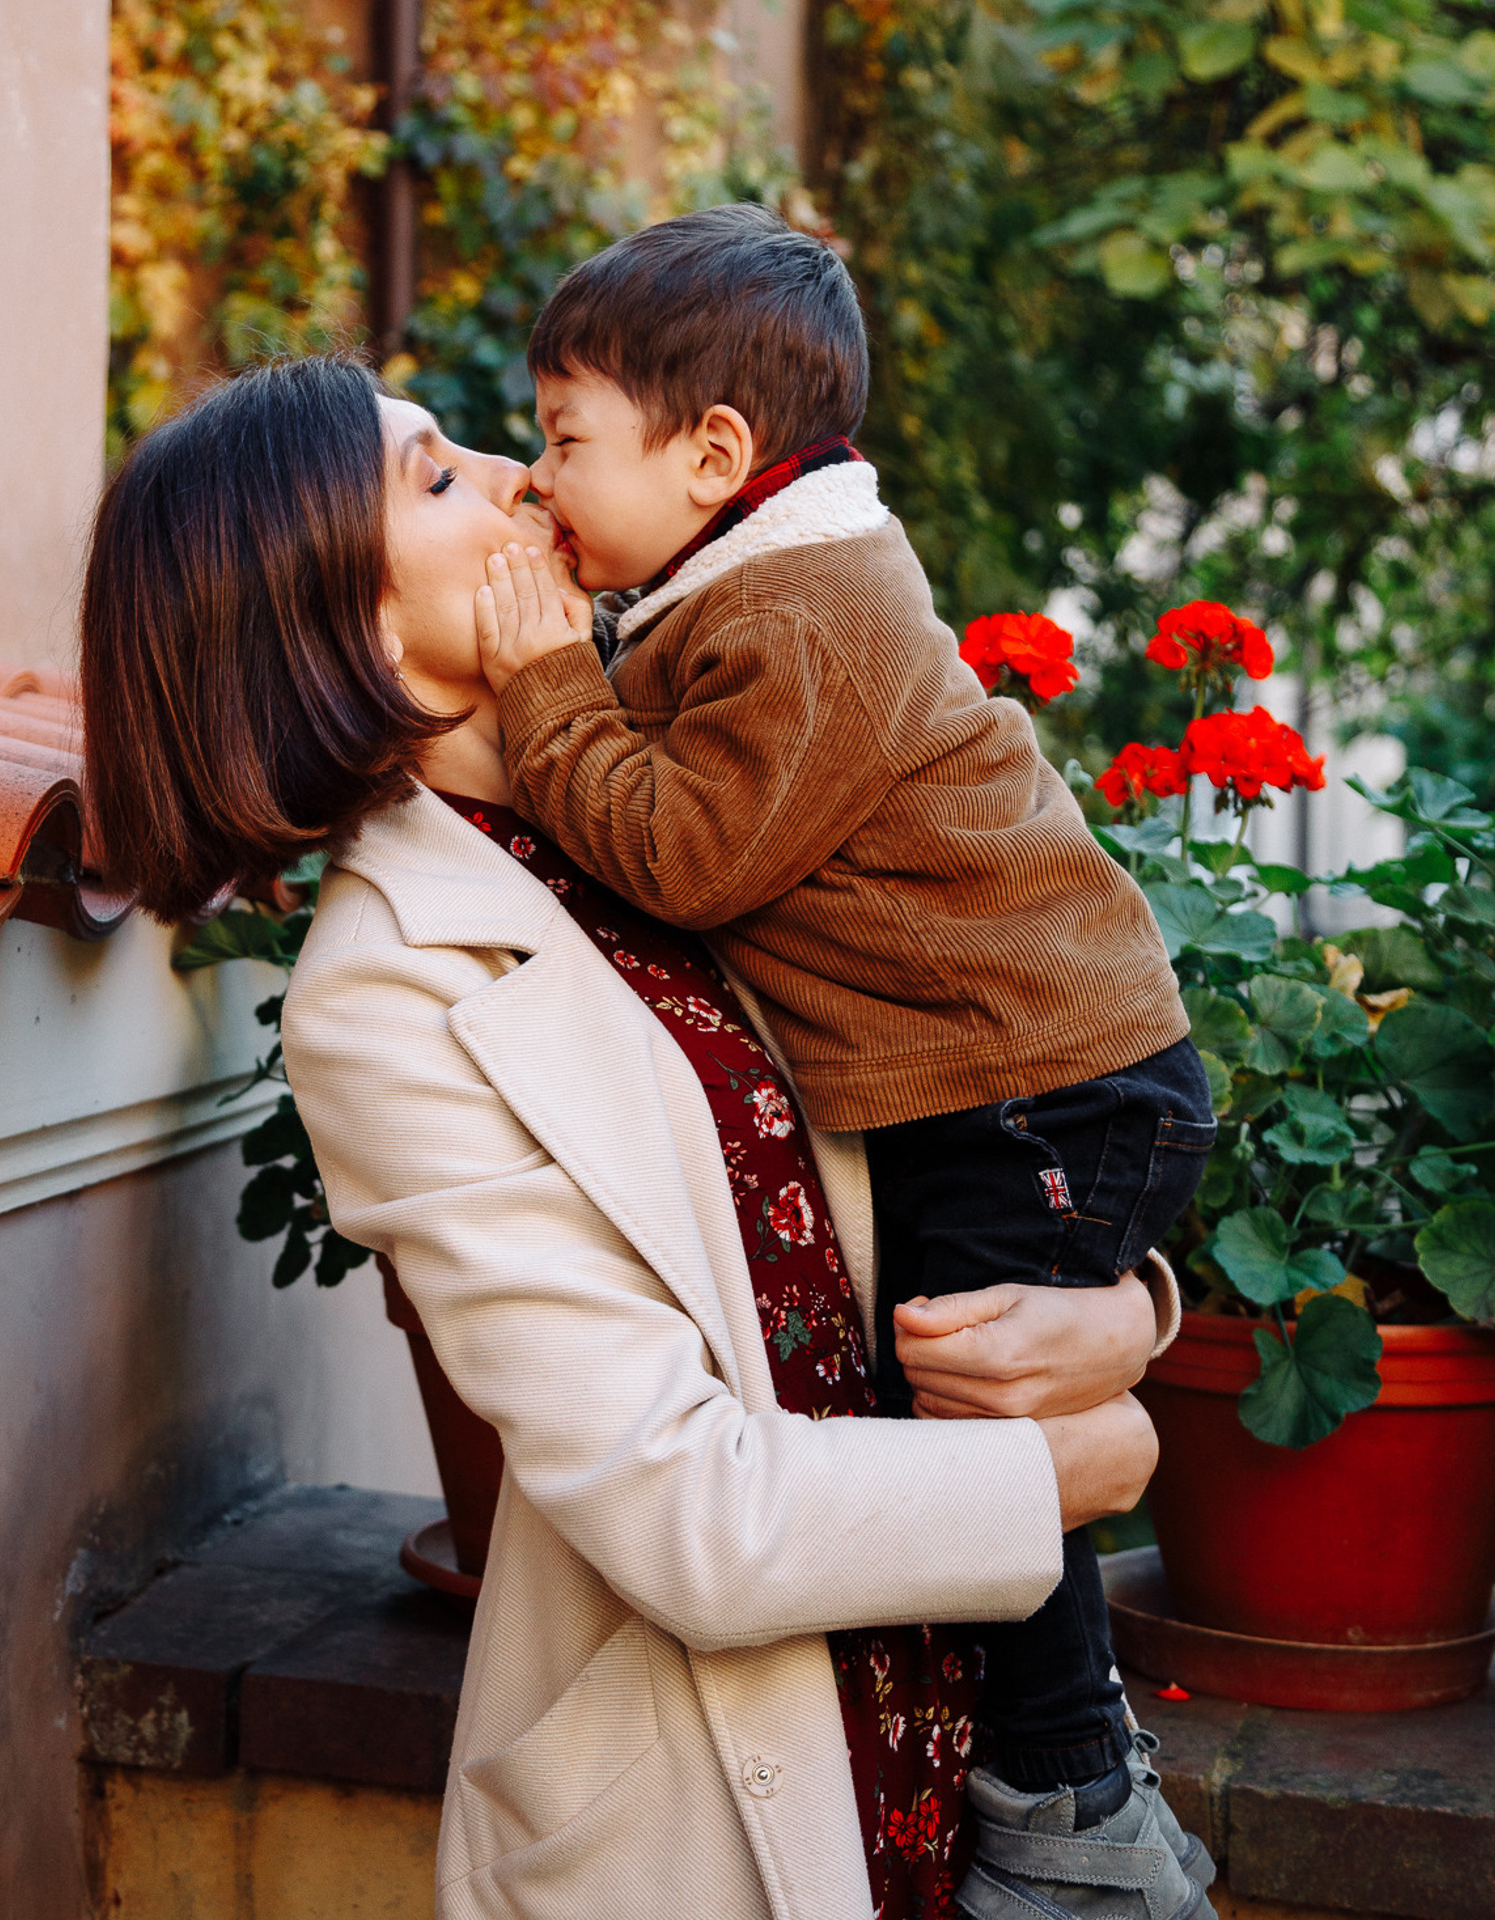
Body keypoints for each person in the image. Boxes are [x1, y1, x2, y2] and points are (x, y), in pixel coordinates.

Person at [79, 355, 1178, 1920]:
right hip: (733, 1810)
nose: (522, 475)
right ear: (353, 631)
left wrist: (1122, 1314)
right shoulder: (386, 995)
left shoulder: (674, 797)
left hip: (995, 1756)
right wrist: (1067, 1469)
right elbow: (685, 1510)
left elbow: (971, 1101)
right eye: (440, 476)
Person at [472, 205, 1218, 1918]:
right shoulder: (748, 586)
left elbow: (679, 854)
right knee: (966, 1417)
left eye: (566, 436)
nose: (537, 475)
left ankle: (1070, 1828)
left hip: (1048, 1083)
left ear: (714, 452)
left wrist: (539, 687)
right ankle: (1081, 1790)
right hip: (1025, 1078)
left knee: (968, 1422)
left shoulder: (801, 608)